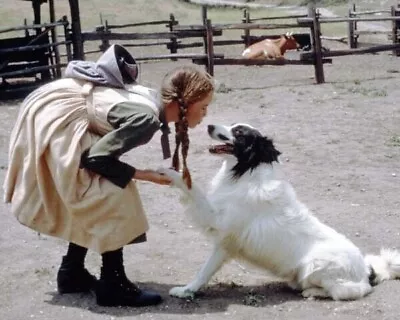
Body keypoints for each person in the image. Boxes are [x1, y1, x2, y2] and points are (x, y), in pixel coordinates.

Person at [3, 44, 214, 307]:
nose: (205, 115)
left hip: (70, 115)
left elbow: (101, 154)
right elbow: (95, 159)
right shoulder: (147, 119)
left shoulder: (151, 101)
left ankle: (72, 273)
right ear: (183, 104)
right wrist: (145, 175)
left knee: (95, 191)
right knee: (112, 195)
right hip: (62, 121)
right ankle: (113, 285)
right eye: (203, 107)